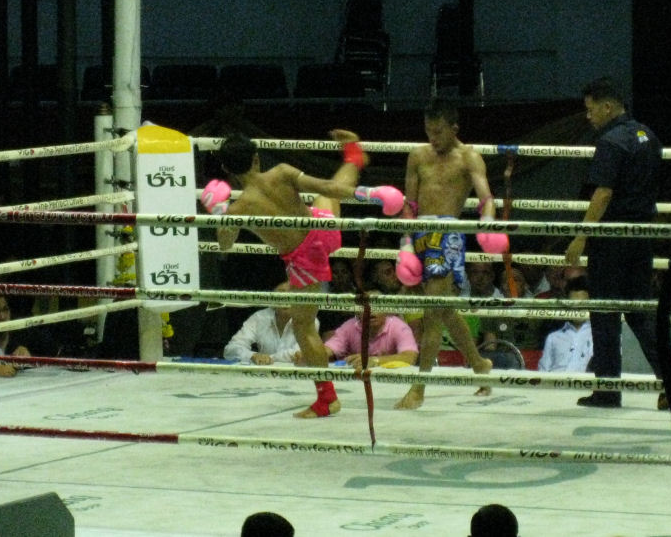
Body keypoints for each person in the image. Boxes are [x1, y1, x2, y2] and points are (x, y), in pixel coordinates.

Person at [203, 129, 403, 418]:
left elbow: (224, 245)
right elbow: (328, 186)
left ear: (226, 169)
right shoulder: (282, 172)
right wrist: (368, 194)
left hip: (305, 259)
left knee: (304, 328)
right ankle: (354, 158)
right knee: (325, 194)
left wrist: (219, 211)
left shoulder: (239, 208)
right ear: (257, 158)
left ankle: (327, 398)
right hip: (323, 228)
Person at [565, 76, 671, 409]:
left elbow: (603, 194)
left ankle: (608, 390)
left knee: (604, 313)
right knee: (640, 313)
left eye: (590, 109)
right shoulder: (648, 136)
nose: (588, 116)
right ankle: (669, 382)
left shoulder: (611, 141)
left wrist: (580, 238)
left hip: (611, 239)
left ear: (608, 106)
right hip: (641, 236)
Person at [393, 98, 508, 409]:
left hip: (448, 234)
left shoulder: (469, 157)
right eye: (428, 131)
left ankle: (419, 388)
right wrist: (405, 242)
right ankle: (479, 364)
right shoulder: (417, 156)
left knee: (433, 311)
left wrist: (488, 222)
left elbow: (486, 197)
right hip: (420, 232)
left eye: (439, 132)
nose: (433, 138)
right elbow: (409, 204)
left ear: (454, 128)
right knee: (444, 309)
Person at [223, 282, 316, 365]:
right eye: (281, 293)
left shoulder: (310, 320)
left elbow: (298, 352)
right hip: (263, 375)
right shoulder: (259, 317)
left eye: (292, 293)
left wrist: (268, 358)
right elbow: (230, 349)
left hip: (295, 375)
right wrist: (252, 355)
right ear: (272, 297)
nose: (287, 298)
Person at [322, 291, 418, 370]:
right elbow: (326, 351)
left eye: (376, 305)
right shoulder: (349, 326)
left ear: (386, 310)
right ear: (357, 312)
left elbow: (410, 357)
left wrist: (375, 361)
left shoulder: (399, 327)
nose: (371, 310)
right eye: (365, 306)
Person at [538, 276, 593, 372]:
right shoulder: (553, 337)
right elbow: (543, 372)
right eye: (573, 304)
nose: (577, 309)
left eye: (582, 304)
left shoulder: (599, 336)